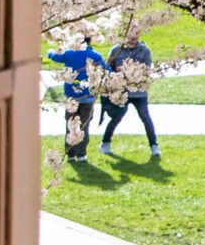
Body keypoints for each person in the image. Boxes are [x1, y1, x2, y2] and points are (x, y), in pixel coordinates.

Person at [100, 30, 159, 160]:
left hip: (139, 92)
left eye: (137, 34)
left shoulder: (144, 51)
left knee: (145, 117)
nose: (134, 37)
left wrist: (132, 71)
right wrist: (116, 72)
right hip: (121, 91)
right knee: (116, 117)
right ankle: (105, 143)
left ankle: (154, 146)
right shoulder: (116, 49)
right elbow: (107, 68)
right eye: (131, 34)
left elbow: (147, 69)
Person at [47, 31, 105, 161]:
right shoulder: (94, 55)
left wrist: (49, 52)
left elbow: (56, 57)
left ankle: (70, 153)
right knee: (84, 126)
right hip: (88, 96)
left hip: (71, 96)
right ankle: (81, 154)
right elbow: (106, 69)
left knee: (70, 125)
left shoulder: (69, 54)